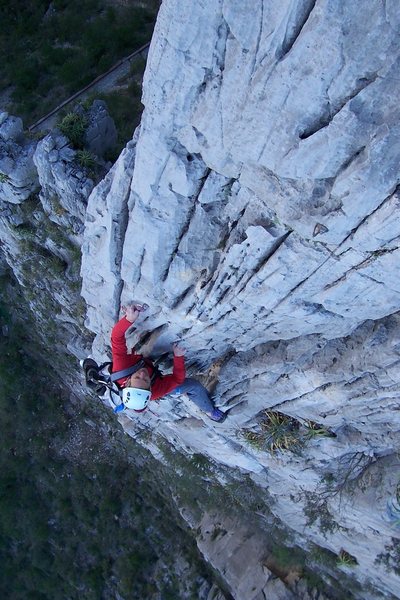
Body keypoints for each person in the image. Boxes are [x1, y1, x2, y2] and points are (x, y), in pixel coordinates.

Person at [111, 303, 226, 422]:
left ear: (128, 381)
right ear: (150, 387)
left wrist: (128, 319)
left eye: (137, 377)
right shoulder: (155, 392)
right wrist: (178, 357)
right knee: (193, 386)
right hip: (149, 372)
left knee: (146, 348)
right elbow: (177, 379)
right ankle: (210, 411)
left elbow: (116, 338)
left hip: (140, 361)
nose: (142, 374)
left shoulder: (121, 368)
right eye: (145, 380)